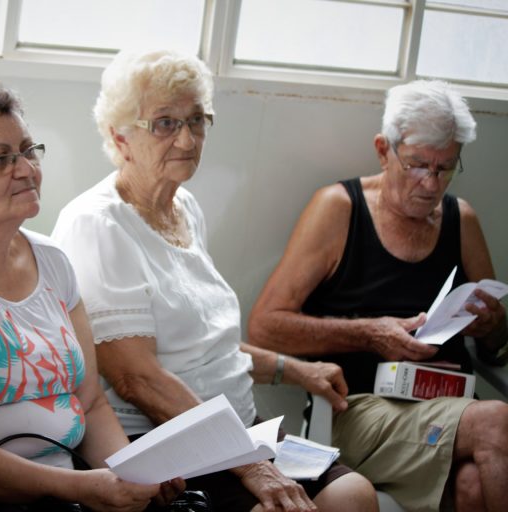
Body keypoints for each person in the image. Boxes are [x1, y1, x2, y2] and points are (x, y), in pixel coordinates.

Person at [51, 49, 377, 512]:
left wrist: (296, 370)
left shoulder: (184, 207)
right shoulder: (98, 224)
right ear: (120, 137)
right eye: (165, 123)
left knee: (354, 496)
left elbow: (205, 345)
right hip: (170, 441)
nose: (187, 139)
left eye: (196, 120)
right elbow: (135, 377)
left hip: (240, 429)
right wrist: (250, 464)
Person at [0, 81, 183, 512]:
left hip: (71, 487)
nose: (26, 169)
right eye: (1, 159)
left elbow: (91, 404)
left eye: (28, 151)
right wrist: (81, 488)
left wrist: (131, 474)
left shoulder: (53, 260)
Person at [247, 79, 508, 511]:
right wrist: (370, 334)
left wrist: (493, 326)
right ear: (384, 151)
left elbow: (495, 347)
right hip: (361, 409)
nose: (431, 184)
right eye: (418, 165)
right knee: (498, 420)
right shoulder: (339, 208)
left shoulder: (461, 219)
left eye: (445, 168)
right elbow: (264, 327)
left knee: (473, 487)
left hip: (451, 404)